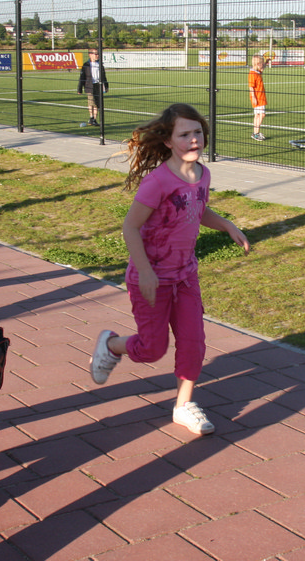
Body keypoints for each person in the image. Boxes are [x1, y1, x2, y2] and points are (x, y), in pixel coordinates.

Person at [90, 103, 250, 436]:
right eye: (184, 134)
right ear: (167, 141)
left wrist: (227, 225)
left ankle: (183, 405)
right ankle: (112, 345)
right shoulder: (158, 182)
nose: (193, 140)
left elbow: (198, 210)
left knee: (194, 342)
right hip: (150, 278)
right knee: (152, 349)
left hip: (185, 276)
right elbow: (130, 227)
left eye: (198, 132)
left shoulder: (203, 174)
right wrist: (146, 271)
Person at [77, 47, 108, 126]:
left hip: (98, 85)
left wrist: (106, 86)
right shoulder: (86, 65)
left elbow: (104, 76)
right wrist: (79, 88)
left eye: (98, 54)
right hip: (89, 86)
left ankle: (94, 119)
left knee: (97, 103)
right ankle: (91, 117)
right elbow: (82, 77)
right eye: (95, 54)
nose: (97, 55)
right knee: (92, 102)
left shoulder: (100, 64)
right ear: (90, 55)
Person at [248, 54, 267, 141]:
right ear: (258, 64)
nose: (263, 65)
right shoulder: (253, 74)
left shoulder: (257, 72)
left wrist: (266, 62)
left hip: (260, 96)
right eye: (262, 63)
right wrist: (253, 97)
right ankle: (256, 133)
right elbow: (251, 87)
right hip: (258, 97)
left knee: (257, 115)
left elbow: (262, 69)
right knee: (262, 114)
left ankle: (255, 132)